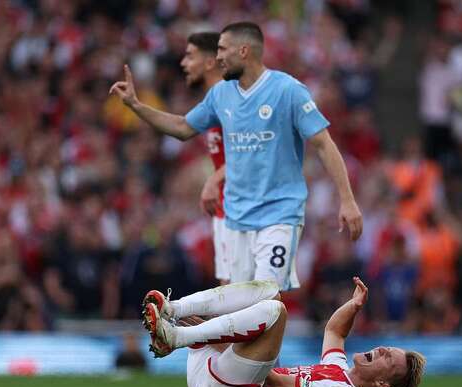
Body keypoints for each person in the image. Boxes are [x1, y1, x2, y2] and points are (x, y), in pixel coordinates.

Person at [110, 22, 362, 291]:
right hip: (236, 219)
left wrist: (347, 200)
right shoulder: (220, 94)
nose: (217, 57)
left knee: (264, 294)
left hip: (279, 214)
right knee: (241, 306)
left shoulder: (288, 90)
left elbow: (324, 144)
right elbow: (183, 127)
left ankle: (178, 315)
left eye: (222, 49)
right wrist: (137, 106)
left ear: (243, 51)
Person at [142, 277, 425, 387]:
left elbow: (272, 382)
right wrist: (354, 306)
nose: (383, 349)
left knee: (276, 312)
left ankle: (177, 336)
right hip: (220, 378)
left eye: (389, 358)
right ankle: (174, 309)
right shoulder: (342, 373)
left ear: (382, 383)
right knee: (270, 292)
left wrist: (210, 334)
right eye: (389, 348)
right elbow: (335, 331)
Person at [180, 31, 229, 285]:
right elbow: (181, 128)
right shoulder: (213, 101)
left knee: (246, 292)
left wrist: (214, 180)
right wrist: (136, 106)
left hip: (247, 204)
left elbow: (254, 151)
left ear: (210, 61)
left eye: (190, 56)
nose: (183, 63)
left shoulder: (233, 97)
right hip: (226, 204)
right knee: (228, 287)